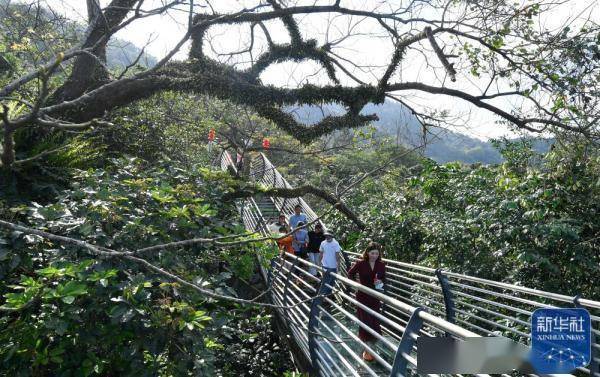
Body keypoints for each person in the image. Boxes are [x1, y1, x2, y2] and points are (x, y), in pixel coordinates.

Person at [347, 242, 386, 362]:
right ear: (367, 253)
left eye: (376, 253)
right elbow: (350, 274)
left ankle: (372, 342)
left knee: (374, 318)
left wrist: (380, 283)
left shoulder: (381, 265)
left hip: (375, 295)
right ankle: (366, 344)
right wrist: (357, 285)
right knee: (365, 318)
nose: (374, 255)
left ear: (379, 254)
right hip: (363, 295)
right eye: (372, 253)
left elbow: (384, 279)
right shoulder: (361, 263)